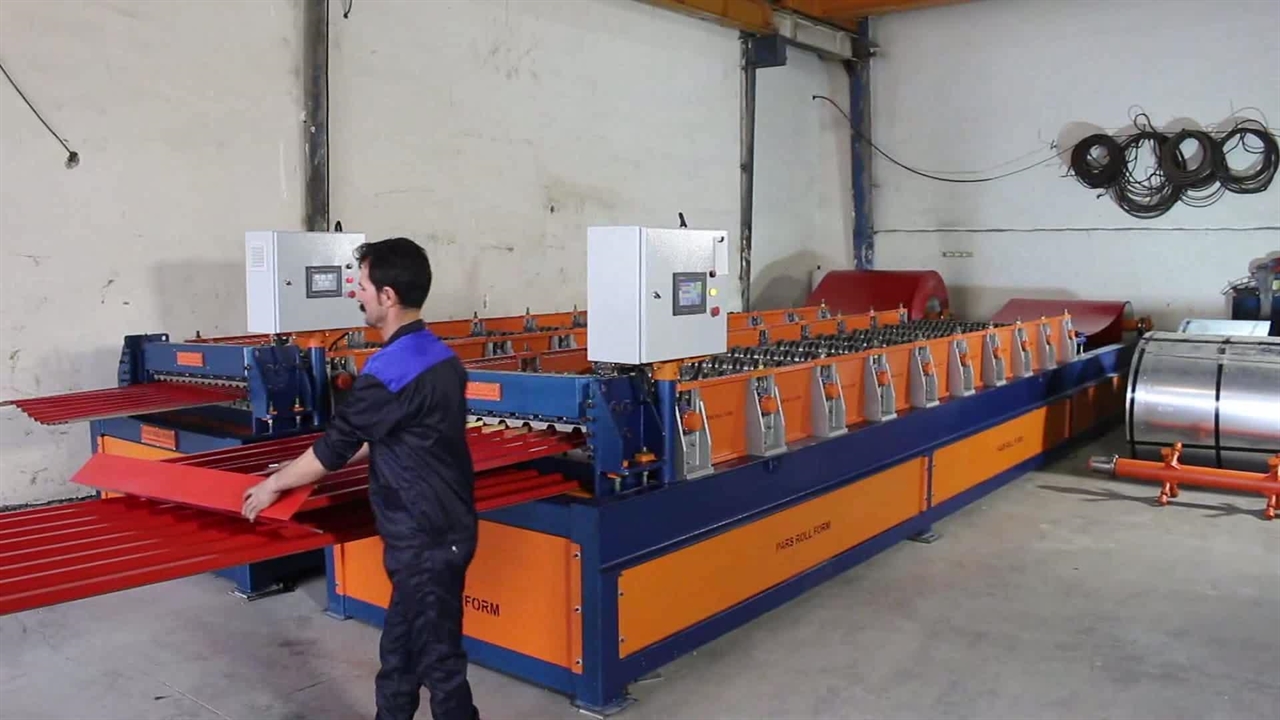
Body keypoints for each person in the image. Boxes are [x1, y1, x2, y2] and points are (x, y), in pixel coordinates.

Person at [241, 236, 481, 720]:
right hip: (444, 526)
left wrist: (274, 485)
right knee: (400, 655)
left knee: (441, 666)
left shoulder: (390, 370)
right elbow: (384, 432)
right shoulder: (440, 356)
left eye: (363, 286)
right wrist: (293, 471)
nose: (356, 293)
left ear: (388, 296)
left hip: (424, 538)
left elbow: (337, 444)